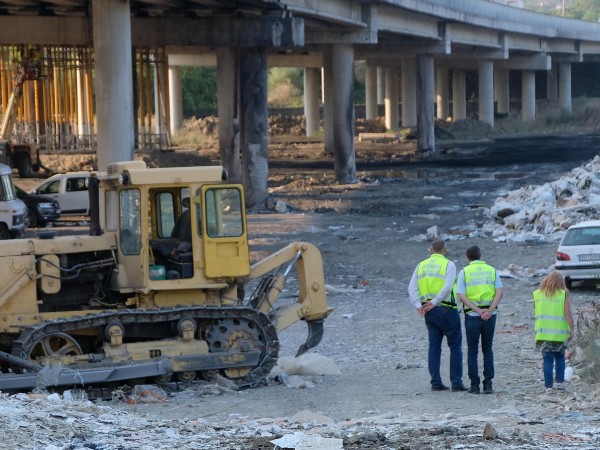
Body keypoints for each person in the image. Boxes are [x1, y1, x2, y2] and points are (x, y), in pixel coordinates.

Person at [408, 239, 466, 392]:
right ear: (445, 250)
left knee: (434, 347)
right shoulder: (449, 265)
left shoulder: (421, 266)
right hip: (446, 309)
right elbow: (447, 287)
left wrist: (418, 306)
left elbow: (412, 287)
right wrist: (435, 301)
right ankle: (456, 382)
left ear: (430, 250)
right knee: (455, 346)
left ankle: (435, 381)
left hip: (429, 310)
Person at [456, 245, 504, 394]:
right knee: (487, 349)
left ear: (467, 257)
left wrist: (477, 310)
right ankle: (488, 384)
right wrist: (489, 310)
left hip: (472, 315)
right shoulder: (491, 270)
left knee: (472, 350)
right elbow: (499, 292)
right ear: (480, 255)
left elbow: (461, 295)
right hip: (490, 315)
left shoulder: (464, 272)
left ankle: (475, 385)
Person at [533, 270, 574, 393]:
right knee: (560, 357)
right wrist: (572, 328)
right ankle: (560, 382)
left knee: (547, 360)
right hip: (559, 334)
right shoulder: (563, 294)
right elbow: (568, 313)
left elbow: (537, 310)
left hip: (543, 334)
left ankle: (548, 386)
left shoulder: (537, 294)